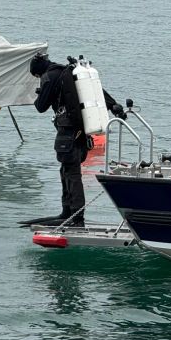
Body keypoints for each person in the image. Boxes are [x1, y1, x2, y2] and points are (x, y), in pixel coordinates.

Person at [23, 53, 127, 227]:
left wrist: (40, 90)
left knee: (71, 173)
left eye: (37, 76)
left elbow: (41, 107)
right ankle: (68, 212)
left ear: (38, 72)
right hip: (82, 131)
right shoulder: (70, 73)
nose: (39, 78)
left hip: (67, 132)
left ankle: (76, 217)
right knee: (68, 171)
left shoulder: (49, 76)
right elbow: (96, 92)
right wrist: (114, 106)